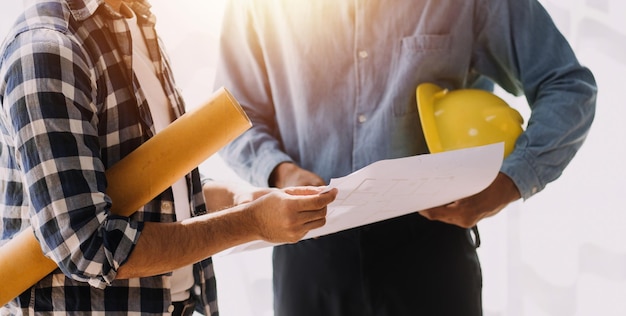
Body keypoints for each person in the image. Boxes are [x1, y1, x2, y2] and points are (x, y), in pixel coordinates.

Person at [213, 0, 597, 315]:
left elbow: (567, 85)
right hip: (308, 247)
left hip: (431, 248)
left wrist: (511, 181)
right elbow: (231, 116)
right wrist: (281, 172)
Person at [0, 0, 337, 315]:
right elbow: (89, 246)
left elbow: (160, 188)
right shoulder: (46, 47)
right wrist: (249, 222)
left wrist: (238, 198)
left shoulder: (137, 22)